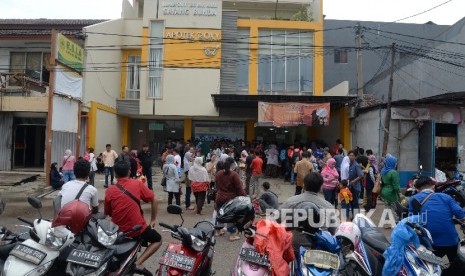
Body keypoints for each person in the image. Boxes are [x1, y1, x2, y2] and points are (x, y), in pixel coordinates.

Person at [104, 161, 162, 271]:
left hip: (117, 231)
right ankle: (137, 263)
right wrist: (153, 219)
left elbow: (108, 212)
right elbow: (154, 199)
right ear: (129, 171)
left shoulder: (109, 190)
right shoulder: (137, 184)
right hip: (138, 229)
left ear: (115, 175)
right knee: (158, 240)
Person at [408, 177, 465, 273]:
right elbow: (461, 215)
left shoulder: (413, 199)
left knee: (430, 264)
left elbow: (412, 221)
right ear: (433, 187)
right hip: (451, 242)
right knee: (456, 263)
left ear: (417, 189)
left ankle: (436, 267)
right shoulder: (445, 197)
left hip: (430, 245)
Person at [215, 157, 246, 241]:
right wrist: (244, 196)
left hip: (220, 197)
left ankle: (218, 231)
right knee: (231, 216)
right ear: (232, 164)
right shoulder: (234, 174)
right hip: (230, 199)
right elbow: (239, 188)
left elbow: (217, 186)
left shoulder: (218, 173)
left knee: (220, 214)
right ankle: (232, 235)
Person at [380, 155, 400, 226]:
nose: (396, 163)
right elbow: (396, 186)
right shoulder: (393, 172)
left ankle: (387, 222)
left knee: (387, 207)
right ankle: (395, 222)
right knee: (394, 208)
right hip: (391, 192)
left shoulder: (383, 170)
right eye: (395, 162)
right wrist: (399, 193)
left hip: (384, 191)